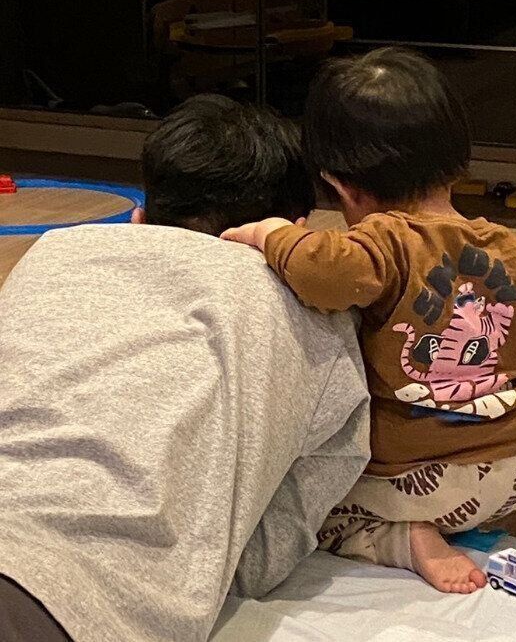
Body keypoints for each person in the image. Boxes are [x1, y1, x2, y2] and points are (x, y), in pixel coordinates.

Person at [221, 48, 516, 594]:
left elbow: (321, 271)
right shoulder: (512, 250)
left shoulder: (382, 245)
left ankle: (411, 540)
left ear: (343, 187)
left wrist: (269, 232)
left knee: (319, 507)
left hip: (421, 484)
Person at [0, 95, 370, 642]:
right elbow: (257, 560)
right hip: (69, 604)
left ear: (140, 217)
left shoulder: (50, 255)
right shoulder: (313, 314)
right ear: (295, 232)